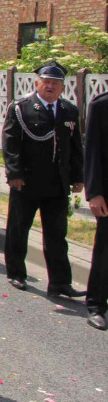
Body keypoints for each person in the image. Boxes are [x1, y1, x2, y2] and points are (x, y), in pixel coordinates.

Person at [2, 60, 85, 298]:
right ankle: (16, 273)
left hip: (57, 183)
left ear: (62, 87)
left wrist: (78, 176)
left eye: (55, 83)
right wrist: (14, 174)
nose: (50, 86)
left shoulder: (69, 110)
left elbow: (75, 146)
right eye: (46, 82)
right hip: (27, 181)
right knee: (19, 229)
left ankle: (60, 282)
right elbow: (11, 144)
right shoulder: (22, 108)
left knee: (57, 234)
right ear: (37, 83)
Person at [83, 92, 108, 330]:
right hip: (107, 194)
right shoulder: (102, 105)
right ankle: (96, 305)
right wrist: (94, 192)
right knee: (105, 253)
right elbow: (91, 150)